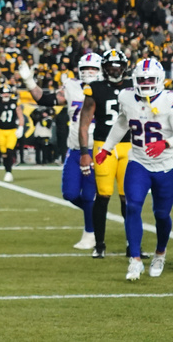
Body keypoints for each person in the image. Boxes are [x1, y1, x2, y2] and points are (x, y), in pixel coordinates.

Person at [95, 58, 173, 280]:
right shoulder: (126, 96)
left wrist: (165, 143)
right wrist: (107, 148)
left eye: (150, 79)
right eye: (142, 79)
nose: (146, 82)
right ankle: (135, 260)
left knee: (161, 214)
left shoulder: (169, 100)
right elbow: (121, 122)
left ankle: (160, 252)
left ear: (160, 80)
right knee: (132, 206)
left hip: (167, 165)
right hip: (138, 161)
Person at [80, 49, 132, 259]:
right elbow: (84, 123)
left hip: (130, 146)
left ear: (124, 67)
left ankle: (133, 245)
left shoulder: (134, 86)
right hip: (104, 146)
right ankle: (99, 244)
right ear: (104, 68)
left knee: (128, 198)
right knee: (102, 196)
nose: (114, 70)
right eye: (110, 66)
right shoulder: (95, 89)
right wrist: (85, 152)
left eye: (118, 66)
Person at [0, 84, 22, 182]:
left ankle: (9, 172)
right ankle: (7, 171)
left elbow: (20, 116)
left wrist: (21, 127)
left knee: (10, 150)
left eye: (7, 93)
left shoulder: (15, 103)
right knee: (4, 153)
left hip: (12, 130)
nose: (6, 95)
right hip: (1, 131)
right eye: (4, 93)